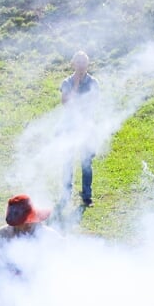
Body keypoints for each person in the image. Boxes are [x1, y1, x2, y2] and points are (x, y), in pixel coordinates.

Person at [60, 50, 100, 208]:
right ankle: (66, 195)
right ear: (73, 64)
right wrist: (75, 85)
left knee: (86, 162)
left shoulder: (93, 82)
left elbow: (95, 102)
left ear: (87, 64)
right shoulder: (67, 82)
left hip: (86, 126)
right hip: (69, 126)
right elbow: (65, 102)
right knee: (68, 161)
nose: (81, 66)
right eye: (79, 62)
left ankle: (86, 196)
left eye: (84, 62)